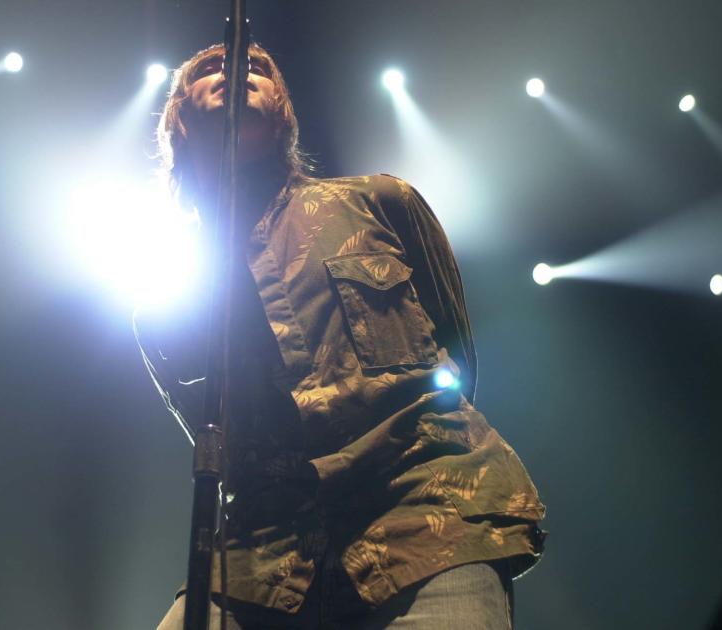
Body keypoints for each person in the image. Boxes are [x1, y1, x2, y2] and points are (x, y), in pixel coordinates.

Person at [137, 42, 546, 629]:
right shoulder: (164, 302)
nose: (235, 68)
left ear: (284, 111)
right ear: (176, 117)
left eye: (257, 66)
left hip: (425, 517)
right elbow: (215, 442)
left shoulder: (380, 202)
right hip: (262, 555)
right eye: (209, 67)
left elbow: (455, 356)